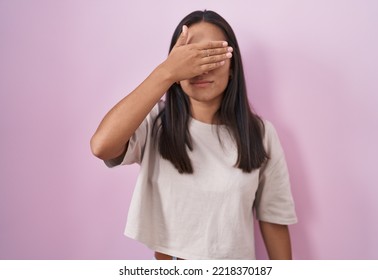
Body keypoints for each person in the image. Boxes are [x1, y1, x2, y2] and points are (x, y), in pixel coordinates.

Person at [90, 10, 297, 260]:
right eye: (191, 57)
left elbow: (274, 219)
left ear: (232, 67)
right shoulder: (155, 123)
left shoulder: (261, 134)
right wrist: (166, 72)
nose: (201, 68)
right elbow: (102, 145)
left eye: (213, 56)